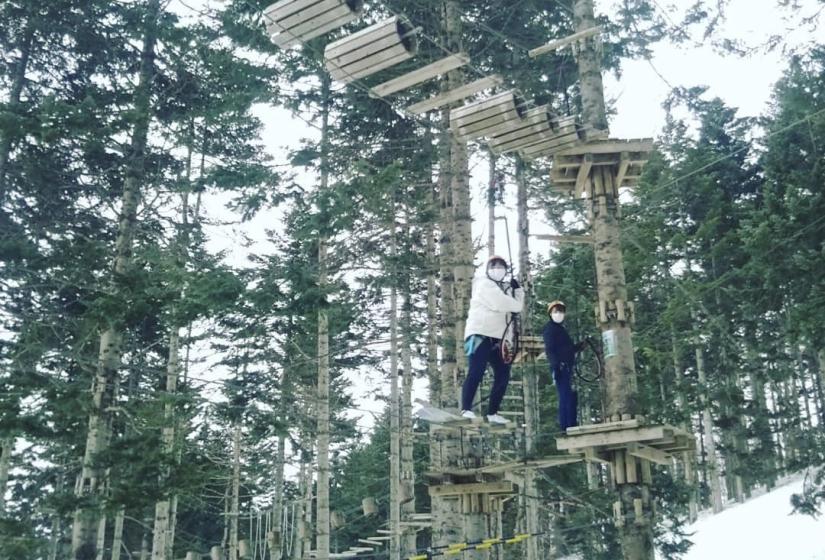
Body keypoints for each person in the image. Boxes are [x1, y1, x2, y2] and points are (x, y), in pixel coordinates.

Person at [461, 255, 525, 424]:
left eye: (501, 266)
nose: (498, 269)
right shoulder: (483, 284)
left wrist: (517, 291)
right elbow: (501, 304)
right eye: (494, 265)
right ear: (488, 269)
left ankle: (493, 412)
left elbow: (517, 308)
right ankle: (466, 408)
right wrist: (514, 301)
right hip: (480, 334)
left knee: (503, 374)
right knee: (476, 370)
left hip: (499, 338)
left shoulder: (504, 289)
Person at [542, 300, 585, 431]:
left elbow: (567, 349)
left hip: (566, 366)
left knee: (571, 396)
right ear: (550, 314)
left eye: (561, 311)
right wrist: (556, 365)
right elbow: (550, 349)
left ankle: (571, 423)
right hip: (561, 367)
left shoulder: (561, 330)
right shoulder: (550, 329)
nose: (559, 314)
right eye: (556, 311)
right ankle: (566, 426)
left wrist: (580, 346)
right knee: (565, 396)